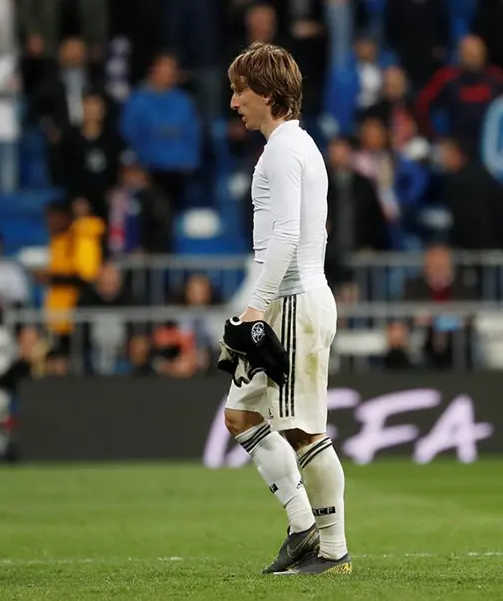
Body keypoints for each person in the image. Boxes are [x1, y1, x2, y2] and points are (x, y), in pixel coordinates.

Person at [223, 42, 350, 575]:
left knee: (302, 429)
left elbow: (287, 237)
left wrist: (256, 308)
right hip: (288, 298)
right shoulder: (298, 146)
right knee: (241, 416)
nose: (234, 103)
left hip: (294, 299)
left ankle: (334, 549)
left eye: (241, 91)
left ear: (270, 95)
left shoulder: (282, 150)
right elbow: (311, 229)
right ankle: (302, 528)